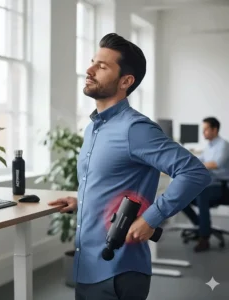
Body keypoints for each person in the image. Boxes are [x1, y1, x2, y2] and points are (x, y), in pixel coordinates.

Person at [48, 33, 211, 300]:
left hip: (118, 271)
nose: (89, 70)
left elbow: (194, 172)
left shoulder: (135, 128)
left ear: (126, 81)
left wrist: (151, 218)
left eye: (102, 66)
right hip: (87, 266)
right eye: (92, 62)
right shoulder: (93, 128)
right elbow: (114, 182)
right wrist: (82, 199)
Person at [182, 117, 229, 252]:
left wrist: (197, 165)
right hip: (209, 185)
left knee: (202, 194)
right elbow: (198, 160)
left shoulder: (223, 145)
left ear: (214, 130)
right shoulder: (208, 146)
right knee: (181, 196)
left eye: (206, 129)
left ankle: (204, 238)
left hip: (222, 187)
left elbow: (215, 164)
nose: (203, 133)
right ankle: (202, 226)